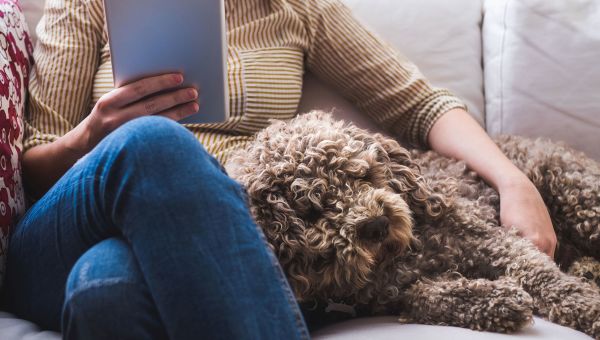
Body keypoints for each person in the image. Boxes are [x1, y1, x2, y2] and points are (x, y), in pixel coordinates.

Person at [2, 0, 557, 338]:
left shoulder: (293, 7)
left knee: (106, 294)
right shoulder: (88, 3)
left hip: (226, 237)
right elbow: (33, 168)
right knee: (154, 141)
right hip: (81, 218)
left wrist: (514, 179)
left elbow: (417, 103)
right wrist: (93, 136)